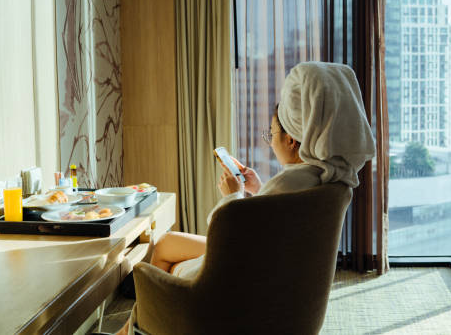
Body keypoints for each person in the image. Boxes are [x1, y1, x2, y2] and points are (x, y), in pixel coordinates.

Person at [117, 61, 375, 334]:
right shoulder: (327, 179)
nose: (270, 140)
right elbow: (277, 217)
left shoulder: (291, 181)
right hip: (274, 273)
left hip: (240, 281)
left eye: (272, 133)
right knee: (168, 241)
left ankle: (142, 322)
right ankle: (135, 323)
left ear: (291, 141)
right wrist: (258, 189)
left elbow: (230, 228)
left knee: (164, 262)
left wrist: (234, 195)